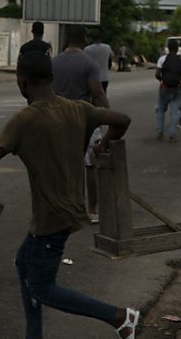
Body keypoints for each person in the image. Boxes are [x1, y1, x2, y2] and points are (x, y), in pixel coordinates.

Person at [0, 51, 139, 339]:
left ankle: (120, 318)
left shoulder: (24, 120)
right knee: (23, 263)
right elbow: (122, 120)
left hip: (53, 217)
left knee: (42, 288)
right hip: (65, 210)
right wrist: (102, 143)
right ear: (51, 78)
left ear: (21, 82)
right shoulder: (78, 109)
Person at [52, 25, 109, 224]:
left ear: (67, 40)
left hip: (57, 120)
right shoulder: (89, 63)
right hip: (84, 122)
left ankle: (62, 208)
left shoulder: (54, 62)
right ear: (83, 40)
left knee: (61, 168)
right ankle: (92, 210)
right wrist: (107, 117)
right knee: (89, 166)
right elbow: (98, 93)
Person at [155, 39, 181, 142]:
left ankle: (160, 132)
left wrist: (162, 80)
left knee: (161, 110)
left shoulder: (162, 59)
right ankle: (172, 135)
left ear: (168, 48)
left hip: (164, 88)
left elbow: (157, 74)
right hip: (176, 89)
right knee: (175, 112)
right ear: (178, 49)